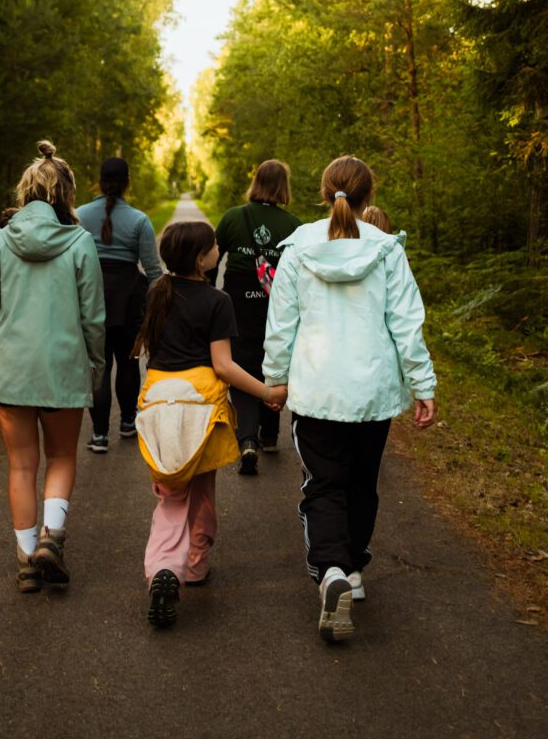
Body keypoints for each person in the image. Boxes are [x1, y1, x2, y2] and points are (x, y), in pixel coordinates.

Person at [263, 155, 437, 642]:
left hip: (317, 389)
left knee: (323, 483)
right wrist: (422, 385)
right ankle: (354, 571)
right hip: (372, 392)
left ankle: (332, 571)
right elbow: (406, 323)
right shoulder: (387, 250)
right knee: (362, 481)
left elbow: (282, 324)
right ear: (367, 196)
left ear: (325, 194)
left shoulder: (297, 249)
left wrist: (275, 380)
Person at [0, 140, 105, 592]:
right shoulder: (80, 243)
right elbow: (93, 317)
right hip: (62, 366)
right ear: (67, 194)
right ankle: (52, 539)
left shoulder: (2, 240)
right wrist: (95, 367)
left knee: (21, 466)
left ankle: (26, 561)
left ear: (25, 193)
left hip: (10, 370)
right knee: (62, 455)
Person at [132, 221, 285, 628]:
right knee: (201, 488)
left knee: (171, 491)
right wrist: (267, 393)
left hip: (160, 399)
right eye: (213, 245)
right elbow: (223, 365)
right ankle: (193, 566)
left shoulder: (157, 293)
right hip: (202, 405)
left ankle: (165, 567)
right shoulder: (218, 301)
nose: (219, 247)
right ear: (201, 258)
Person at [209, 160, 300, 474]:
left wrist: (208, 298)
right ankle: (270, 434)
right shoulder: (293, 225)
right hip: (276, 303)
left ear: (256, 183)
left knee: (242, 363)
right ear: (283, 187)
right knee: (271, 358)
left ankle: (247, 439)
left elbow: (211, 261)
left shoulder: (234, 217)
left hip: (236, 302)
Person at [77, 158, 163, 452]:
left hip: (90, 297)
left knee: (98, 366)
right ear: (128, 182)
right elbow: (153, 271)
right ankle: (128, 422)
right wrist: (157, 309)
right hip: (129, 299)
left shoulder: (79, 216)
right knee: (128, 363)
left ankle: (99, 435)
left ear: (99, 182)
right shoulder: (139, 220)